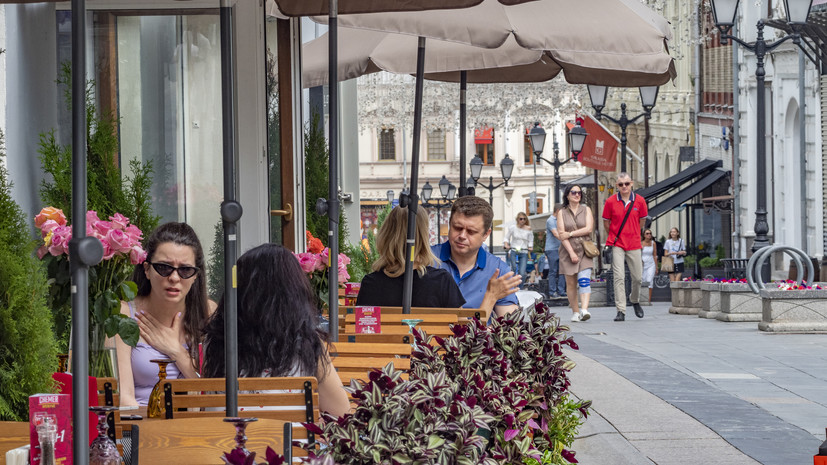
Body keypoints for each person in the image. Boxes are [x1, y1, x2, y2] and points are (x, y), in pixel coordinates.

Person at [202, 243, 350, 418]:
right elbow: (341, 412)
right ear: (293, 294)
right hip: (287, 436)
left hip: (225, 435)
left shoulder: (216, 342)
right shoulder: (307, 345)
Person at [116, 222, 216, 407]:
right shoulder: (124, 314)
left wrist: (176, 352)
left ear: (196, 275)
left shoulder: (207, 312)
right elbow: (123, 398)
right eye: (164, 267)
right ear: (147, 269)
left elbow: (214, 395)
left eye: (185, 270)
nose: (174, 278)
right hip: (137, 422)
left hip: (195, 424)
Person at [357, 206, 465, 308]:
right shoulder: (442, 281)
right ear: (423, 238)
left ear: (386, 235)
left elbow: (362, 320)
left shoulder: (371, 283)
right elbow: (460, 320)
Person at [432, 195, 521, 318]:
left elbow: (508, 325)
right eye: (457, 228)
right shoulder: (426, 259)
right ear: (449, 225)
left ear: (486, 234)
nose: (462, 236)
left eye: (471, 231)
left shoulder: (499, 271)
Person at [602, 172, 648, 322]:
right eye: (621, 184)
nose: (624, 187)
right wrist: (614, 235)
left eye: (627, 184)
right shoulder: (610, 201)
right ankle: (621, 310)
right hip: (617, 243)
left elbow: (642, 221)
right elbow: (606, 223)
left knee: (638, 278)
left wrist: (634, 232)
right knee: (619, 277)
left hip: (634, 243)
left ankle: (634, 300)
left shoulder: (640, 201)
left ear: (631, 184)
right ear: (617, 185)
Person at [557, 184, 594, 322]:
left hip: (585, 249)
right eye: (573, 192)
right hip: (568, 250)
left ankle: (584, 310)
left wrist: (571, 233)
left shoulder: (586, 210)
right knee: (571, 283)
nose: (577, 195)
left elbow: (588, 229)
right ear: (567, 195)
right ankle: (575, 312)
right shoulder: (561, 212)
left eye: (579, 192)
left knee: (584, 280)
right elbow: (562, 235)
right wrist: (571, 253)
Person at [504, 212, 533, 287]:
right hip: (514, 250)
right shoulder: (513, 228)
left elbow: (530, 240)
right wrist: (506, 244)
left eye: (524, 219)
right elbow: (506, 237)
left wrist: (530, 246)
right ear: (517, 219)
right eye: (521, 219)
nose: (522, 220)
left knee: (522, 272)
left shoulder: (528, 228)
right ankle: (512, 285)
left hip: (524, 251)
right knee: (513, 268)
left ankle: (520, 288)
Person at [544, 203, 566, 298]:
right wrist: (566, 239)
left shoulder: (560, 220)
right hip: (552, 249)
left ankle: (561, 291)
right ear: (557, 211)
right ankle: (552, 292)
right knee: (553, 271)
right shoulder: (550, 221)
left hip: (561, 248)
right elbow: (555, 234)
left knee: (562, 270)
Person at [641, 229, 658, 302]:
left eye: (650, 233)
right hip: (642, 264)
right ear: (644, 235)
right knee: (643, 280)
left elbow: (654, 255)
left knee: (649, 281)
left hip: (651, 264)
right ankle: (643, 299)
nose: (649, 235)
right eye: (647, 233)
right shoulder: (641, 243)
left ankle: (648, 300)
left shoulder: (653, 243)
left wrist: (656, 267)